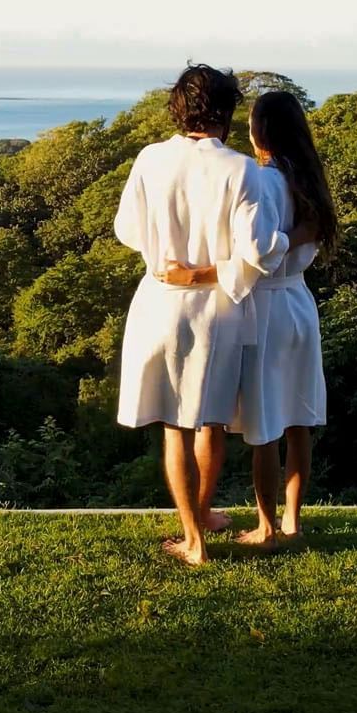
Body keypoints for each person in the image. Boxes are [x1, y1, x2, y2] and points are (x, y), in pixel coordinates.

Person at [114, 65, 290, 566]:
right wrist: (278, 242)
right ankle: (205, 515)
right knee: (209, 421)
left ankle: (194, 536)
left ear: (177, 107)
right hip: (217, 310)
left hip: (159, 302)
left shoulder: (150, 159)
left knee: (174, 425)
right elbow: (259, 251)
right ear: (227, 112)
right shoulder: (241, 171)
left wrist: (165, 253)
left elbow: (127, 228)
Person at [158, 90, 335, 547]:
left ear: (260, 131)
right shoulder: (310, 179)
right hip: (300, 305)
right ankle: (293, 521)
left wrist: (195, 274)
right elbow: (299, 243)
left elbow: (256, 258)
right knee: (298, 422)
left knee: (265, 428)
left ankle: (266, 527)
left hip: (267, 308)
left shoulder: (264, 181)